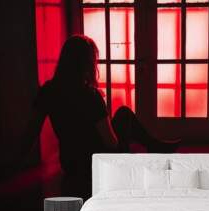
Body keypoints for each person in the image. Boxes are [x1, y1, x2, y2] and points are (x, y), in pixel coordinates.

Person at [23, 35, 179, 200]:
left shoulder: (49, 90)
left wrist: (12, 163)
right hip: (97, 162)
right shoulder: (90, 95)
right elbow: (111, 143)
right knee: (124, 115)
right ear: (87, 64)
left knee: (123, 117)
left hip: (71, 163)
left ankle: (153, 145)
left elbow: (30, 133)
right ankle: (149, 149)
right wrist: (106, 115)